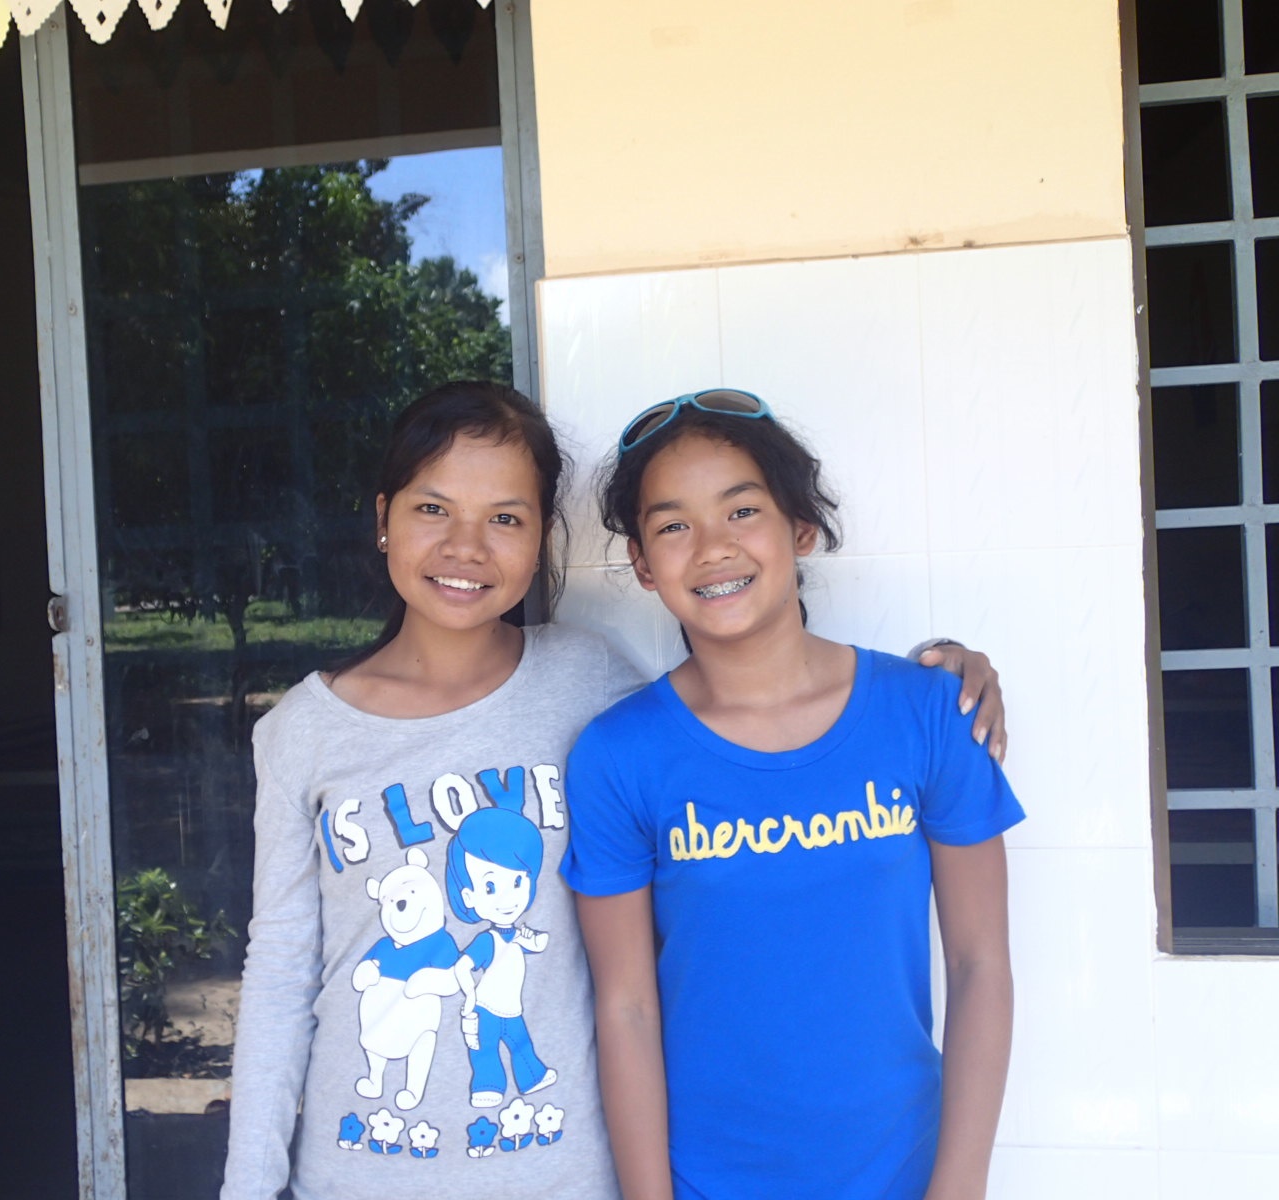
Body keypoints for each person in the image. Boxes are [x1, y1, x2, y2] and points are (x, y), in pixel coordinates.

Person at [220, 381, 1007, 1200]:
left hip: (564, 1175)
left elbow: (738, 707)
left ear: (540, 542)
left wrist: (942, 673)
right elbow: (280, 978)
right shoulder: (301, 733)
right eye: (432, 509)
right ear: (383, 517)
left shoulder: (585, 682)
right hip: (360, 1175)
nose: (465, 546)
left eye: (506, 518)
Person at [562, 389, 1023, 1200]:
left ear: (799, 528)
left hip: (905, 1176)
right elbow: (626, 1008)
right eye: (672, 526)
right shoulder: (619, 755)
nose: (711, 548)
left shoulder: (930, 715)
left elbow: (981, 964)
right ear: (641, 563)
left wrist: (959, 1188)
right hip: (703, 1181)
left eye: (742, 511)